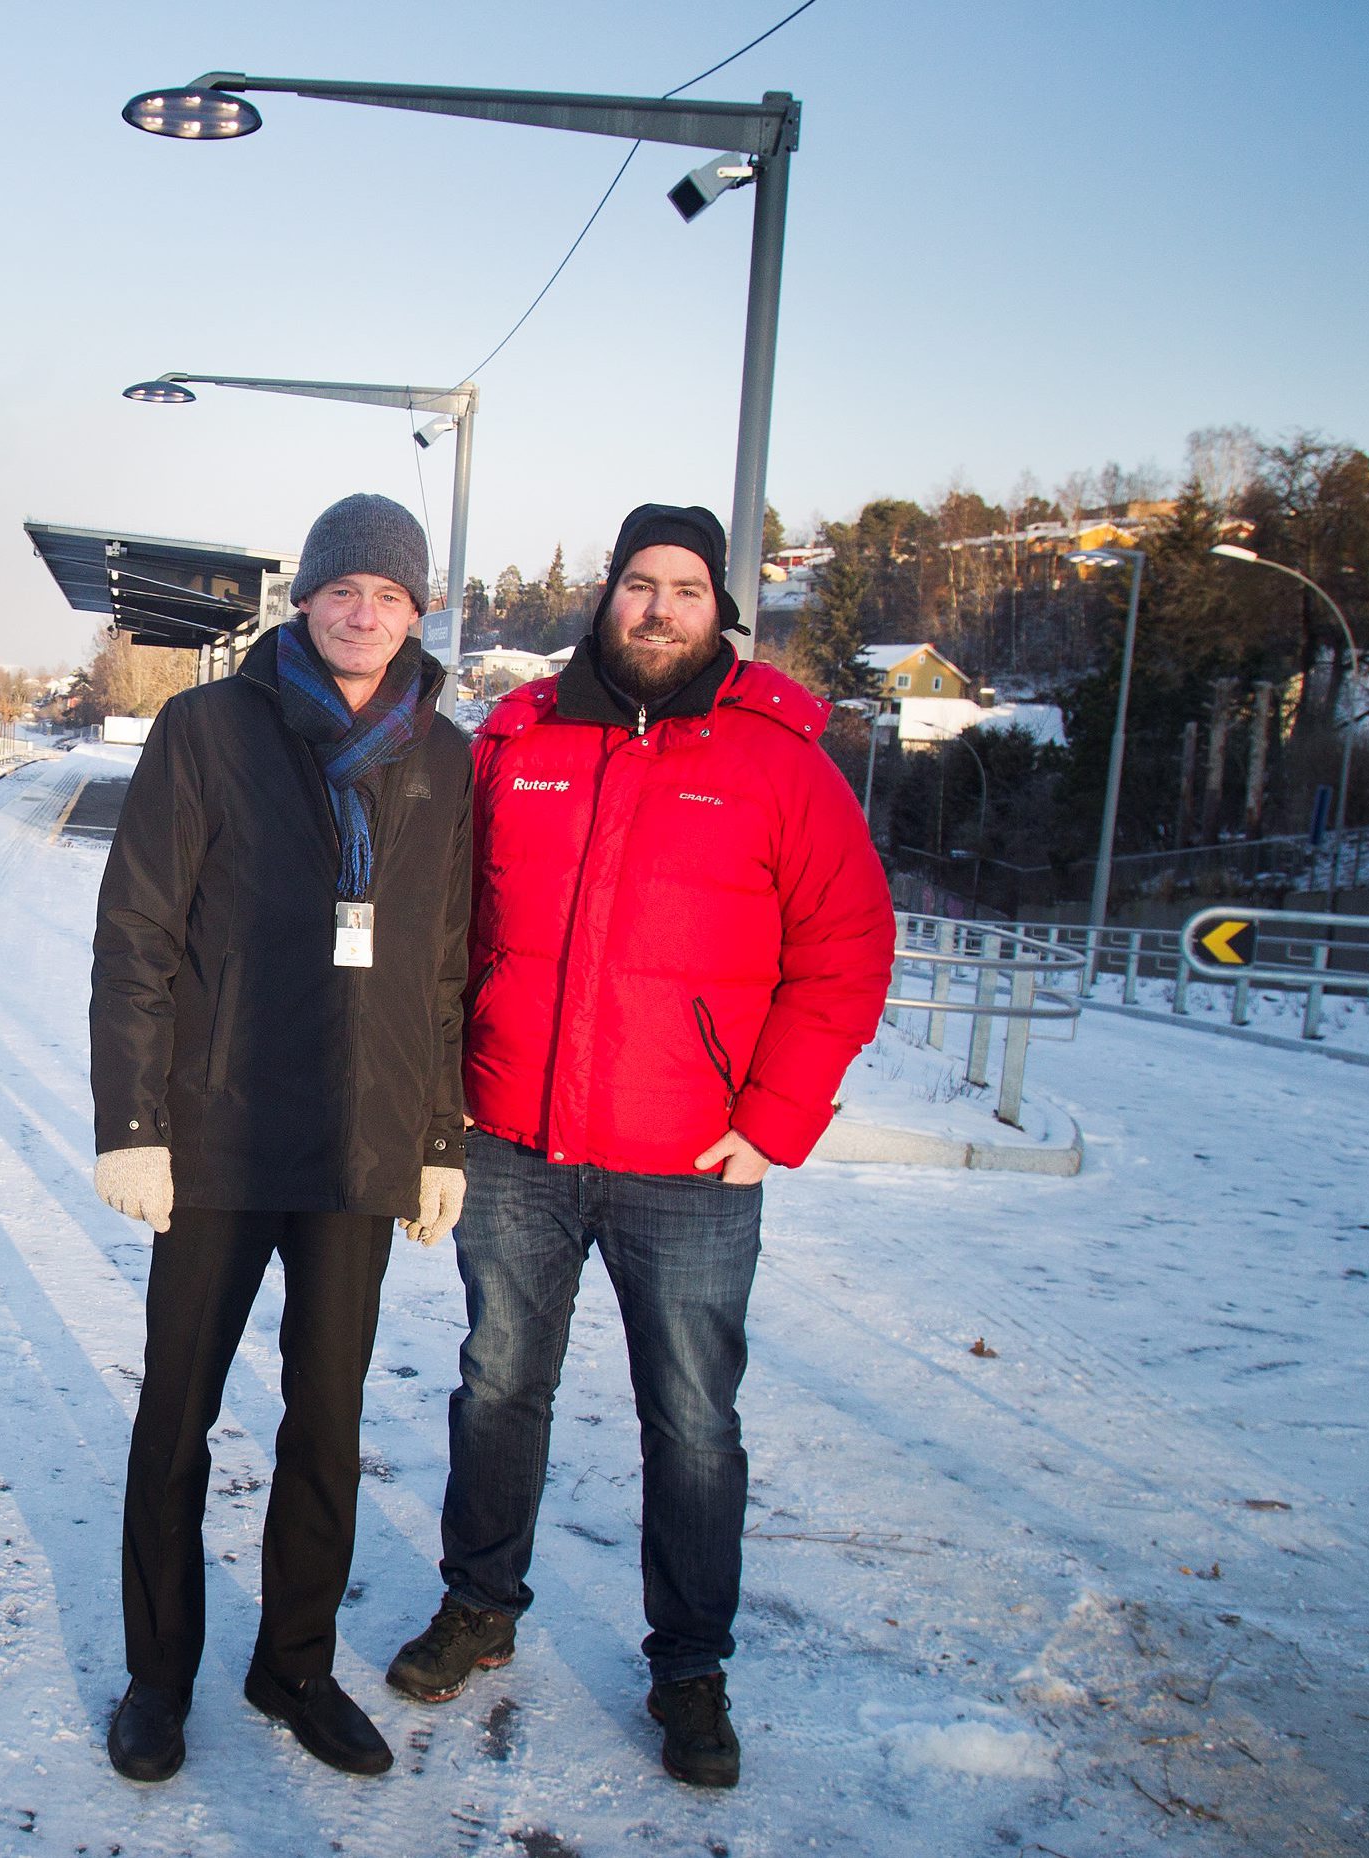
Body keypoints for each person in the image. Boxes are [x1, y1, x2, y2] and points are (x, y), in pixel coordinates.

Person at [385, 502, 894, 1789]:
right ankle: (480, 1605)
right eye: (638, 584)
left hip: (692, 1161)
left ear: (720, 610)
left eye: (685, 588)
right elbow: (445, 929)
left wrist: (772, 1119)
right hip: (516, 1142)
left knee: (694, 1420)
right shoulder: (522, 740)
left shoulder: (780, 761)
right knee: (498, 1383)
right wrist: (434, 1112)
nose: (659, 607)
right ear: (605, 596)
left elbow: (846, 951)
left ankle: (690, 1668)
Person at [89, 492, 473, 1784]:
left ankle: (294, 1662)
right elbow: (138, 934)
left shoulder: (444, 753)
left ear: (418, 612)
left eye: (391, 594)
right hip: (220, 1129)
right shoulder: (208, 729)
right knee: (178, 1413)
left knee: (327, 1415)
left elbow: (441, 965)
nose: (365, 612)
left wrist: (440, 1136)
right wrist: (135, 1124)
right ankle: (159, 1672)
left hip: (359, 1144)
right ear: (304, 599)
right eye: (343, 588)